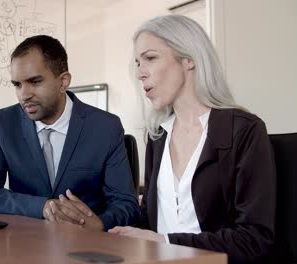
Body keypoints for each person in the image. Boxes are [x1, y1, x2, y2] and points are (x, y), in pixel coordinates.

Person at [108, 15, 276, 263]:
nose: (140, 73)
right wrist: (100, 222)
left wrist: (165, 242)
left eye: (150, 58)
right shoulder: (158, 135)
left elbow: (253, 239)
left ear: (188, 59)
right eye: (137, 63)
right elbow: (148, 220)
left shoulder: (243, 130)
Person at [0, 35, 140, 231]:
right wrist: (43, 206)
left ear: (63, 81)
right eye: (17, 84)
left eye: (35, 82)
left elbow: (127, 205)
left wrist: (99, 224)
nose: (24, 94)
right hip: (26, 244)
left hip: (86, 246)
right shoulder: (4, 123)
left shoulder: (105, 127)